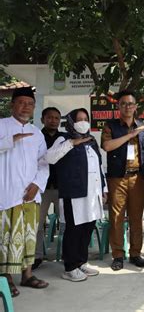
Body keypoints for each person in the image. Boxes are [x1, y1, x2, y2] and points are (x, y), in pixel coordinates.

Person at [45, 108, 107, 281]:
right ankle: (70, 267)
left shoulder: (92, 141)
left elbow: (99, 166)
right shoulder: (63, 138)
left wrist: (104, 188)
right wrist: (72, 143)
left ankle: (81, 262)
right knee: (74, 230)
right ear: (71, 121)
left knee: (87, 229)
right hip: (74, 195)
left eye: (86, 119)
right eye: (79, 119)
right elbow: (50, 157)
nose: (83, 122)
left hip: (92, 194)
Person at [0, 87, 49, 297]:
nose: (25, 107)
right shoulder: (2, 126)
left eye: (29, 104)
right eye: (21, 102)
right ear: (12, 105)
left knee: (29, 236)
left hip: (30, 195)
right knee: (7, 238)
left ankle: (27, 275)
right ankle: (6, 279)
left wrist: (37, 185)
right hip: (6, 193)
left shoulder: (37, 133)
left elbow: (44, 163)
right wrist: (11, 140)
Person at [101, 90, 144, 271]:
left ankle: (136, 254)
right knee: (116, 217)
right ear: (118, 106)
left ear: (136, 106)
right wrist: (130, 135)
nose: (127, 107)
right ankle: (117, 255)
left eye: (131, 104)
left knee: (136, 218)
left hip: (138, 177)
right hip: (117, 178)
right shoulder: (110, 126)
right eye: (123, 103)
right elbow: (107, 146)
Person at [33, 107, 64, 270]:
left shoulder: (65, 138)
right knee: (37, 225)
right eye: (50, 117)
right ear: (42, 119)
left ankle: (67, 253)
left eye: (56, 118)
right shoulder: (35, 137)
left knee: (65, 223)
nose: (53, 120)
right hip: (40, 188)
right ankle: (37, 256)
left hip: (61, 188)